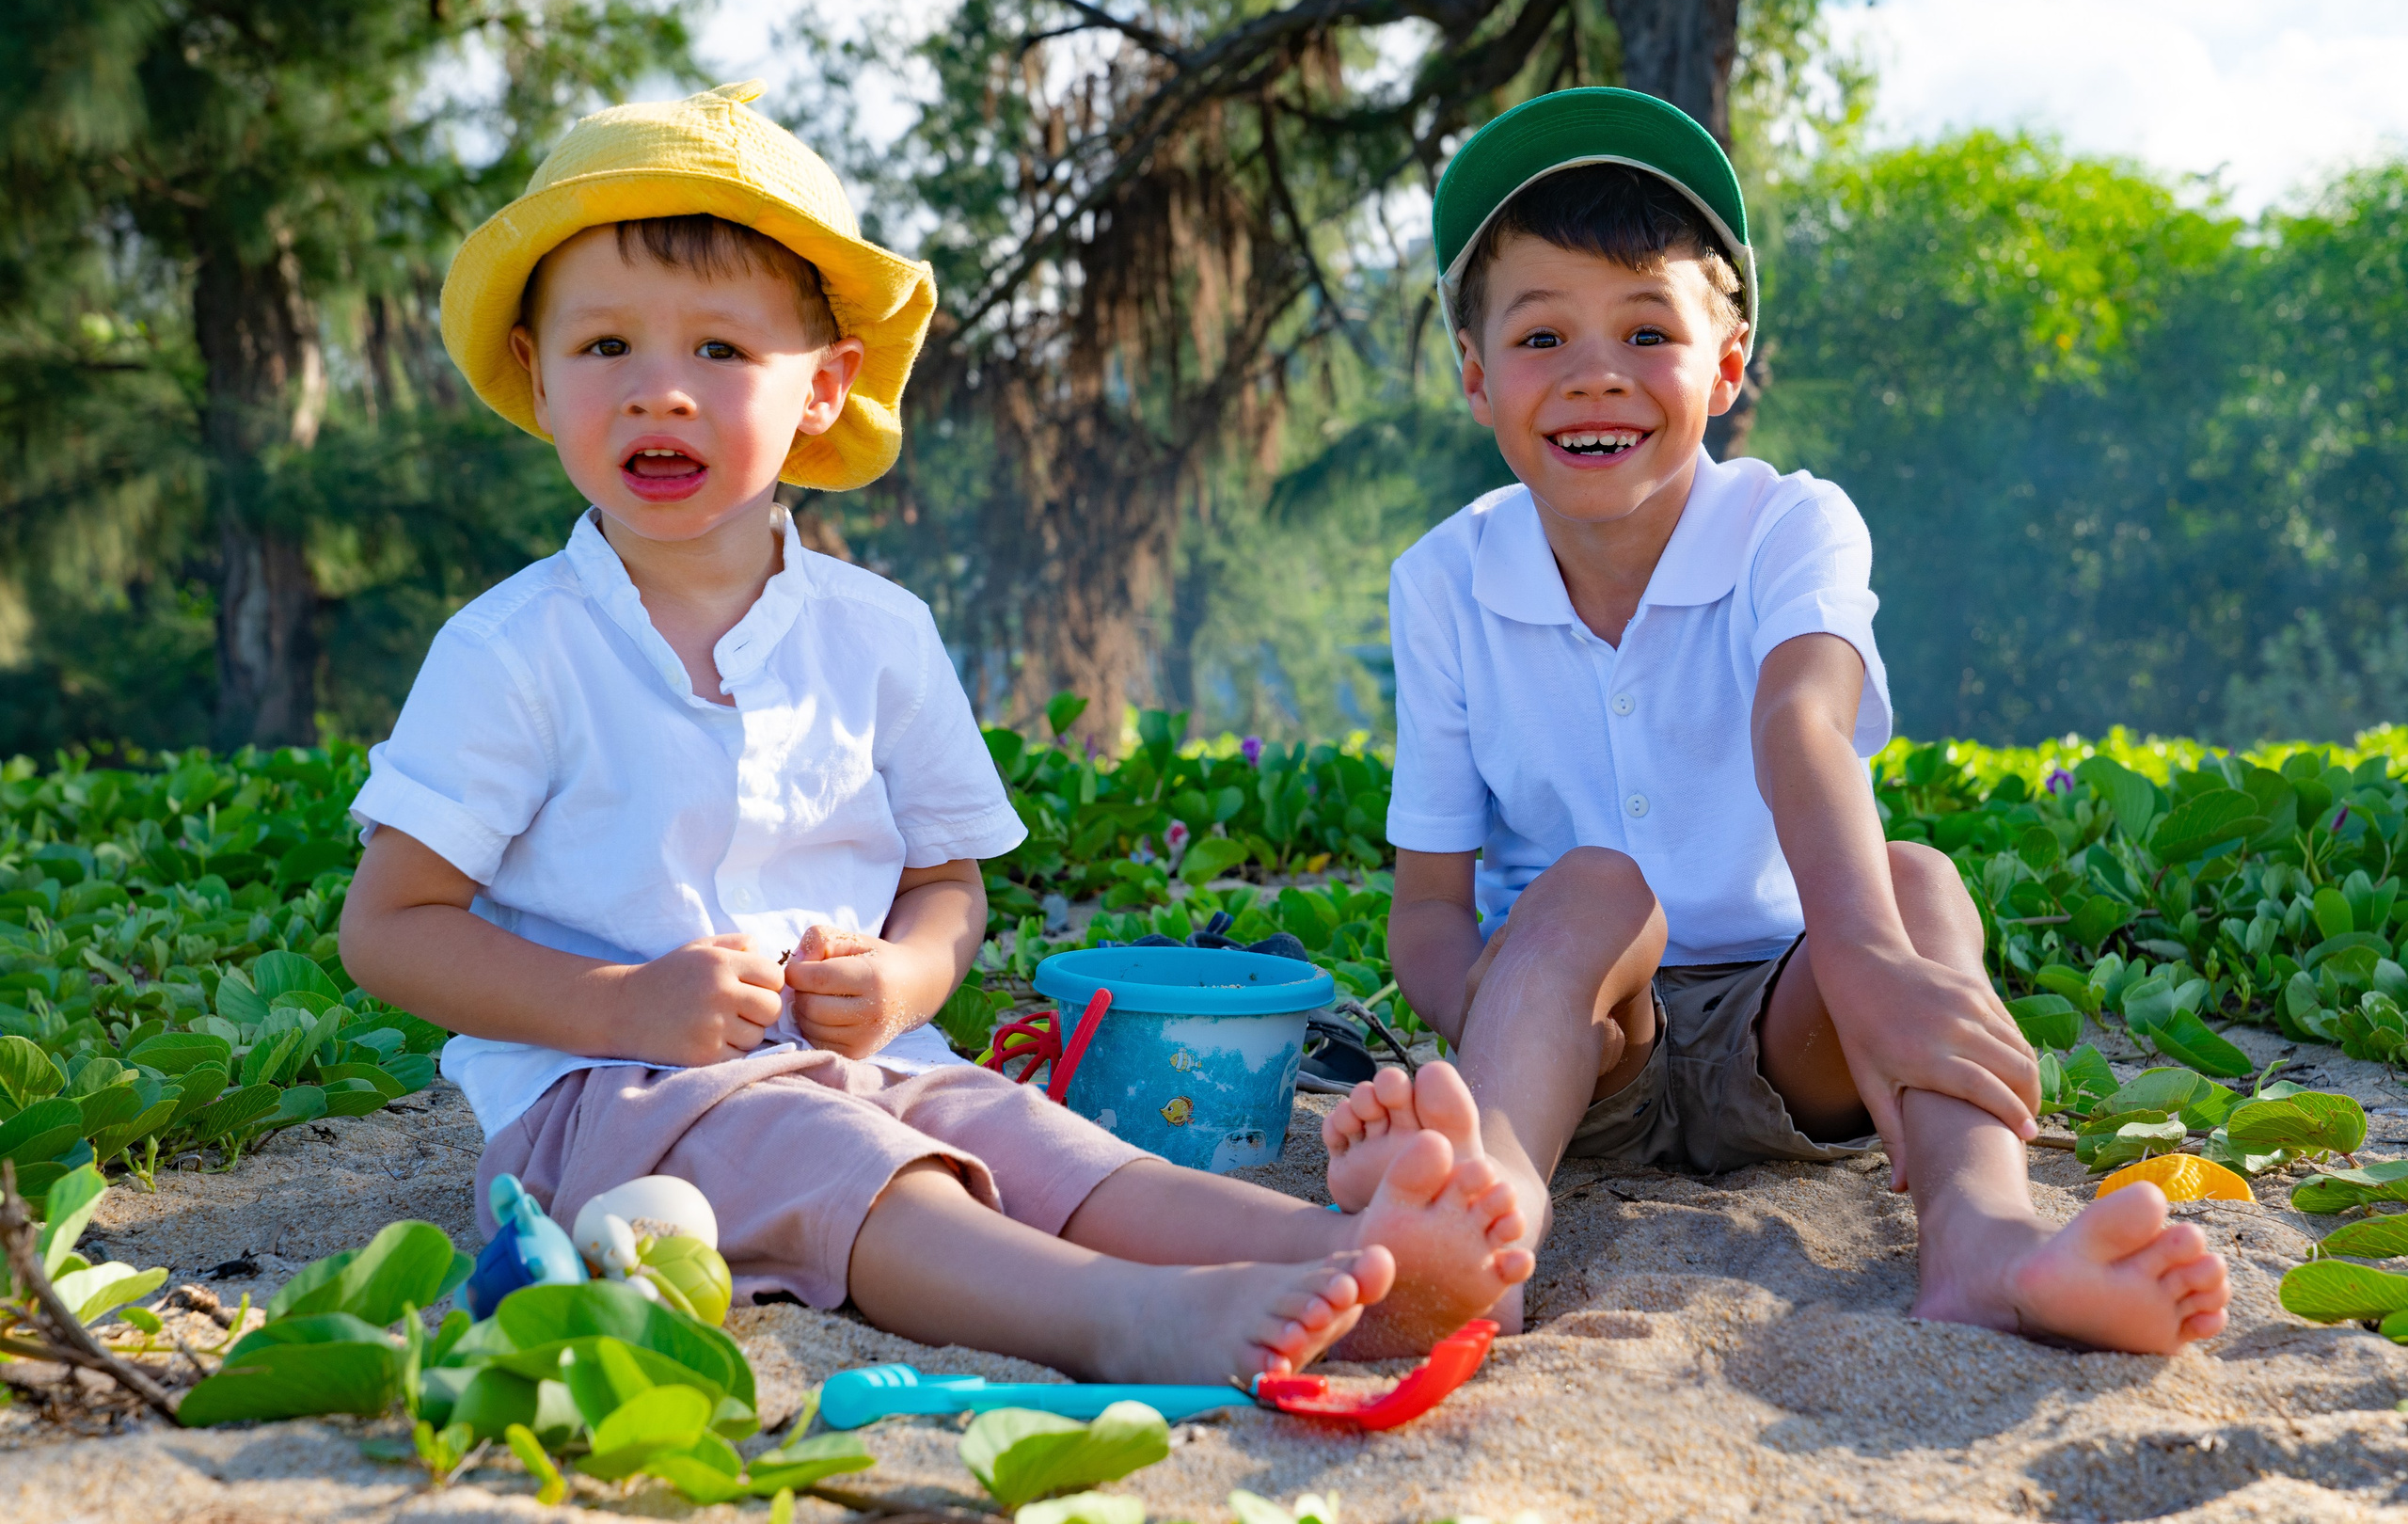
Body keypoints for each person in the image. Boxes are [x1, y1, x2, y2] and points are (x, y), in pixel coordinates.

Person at [338, 82, 1531, 1385]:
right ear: (537, 371)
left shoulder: (877, 632)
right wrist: (625, 1003)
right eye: (606, 347)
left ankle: (1350, 1253)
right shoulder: (516, 650)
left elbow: (945, 889)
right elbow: (391, 927)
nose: (659, 395)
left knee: (1058, 1154)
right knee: (863, 1175)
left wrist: (904, 982)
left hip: (878, 1056)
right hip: (613, 1101)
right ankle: (1120, 1321)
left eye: (720, 354)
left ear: (822, 388)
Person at [1321, 87, 2230, 1355]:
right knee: (1589, 890)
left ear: (1728, 365)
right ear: (1476, 376)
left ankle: (1982, 1239)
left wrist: (1862, 963)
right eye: (1542, 338)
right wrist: (1500, 1013)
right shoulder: (1443, 579)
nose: (1597, 374)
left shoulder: (1793, 524)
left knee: (1913, 884)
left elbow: (1803, 722)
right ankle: (1489, 1236)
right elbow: (1427, 908)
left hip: (1793, 1027)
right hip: (1581, 1045)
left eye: (1648, 330)